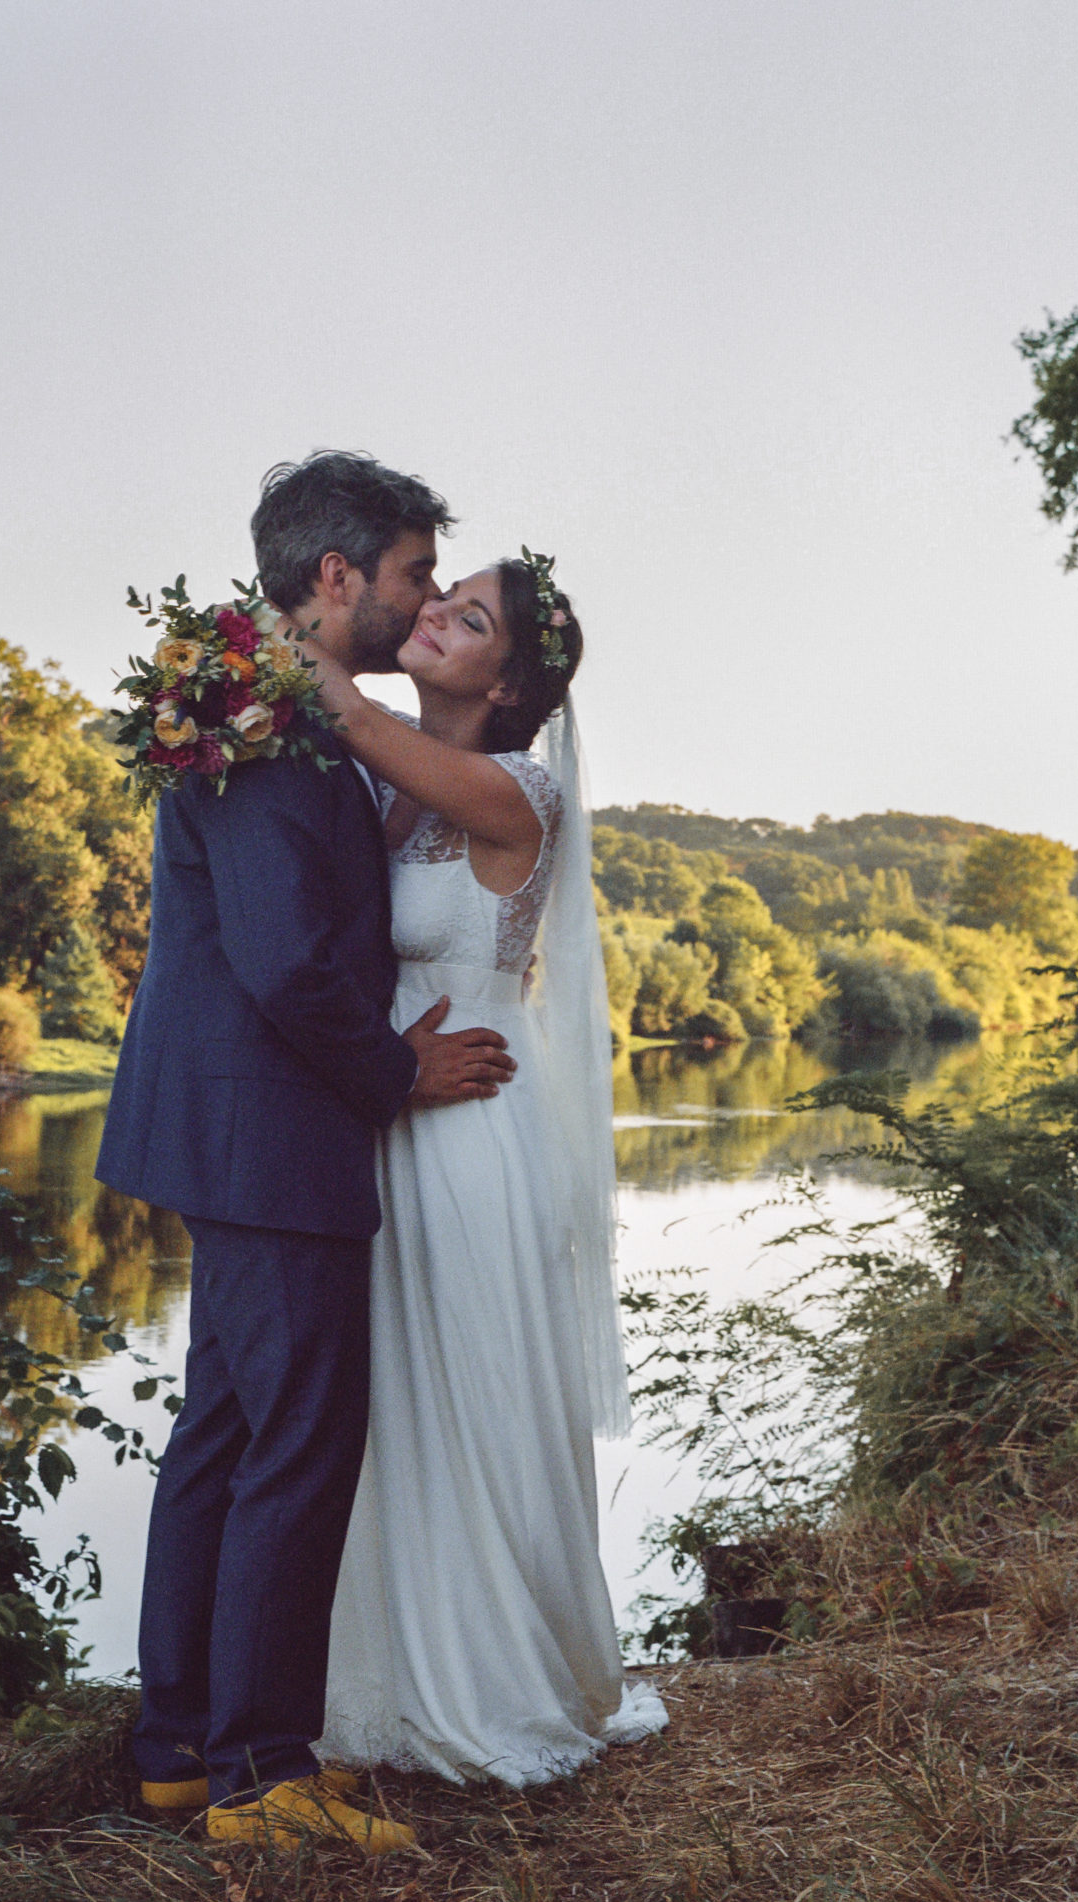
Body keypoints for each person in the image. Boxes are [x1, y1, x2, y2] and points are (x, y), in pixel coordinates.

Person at [96, 451, 516, 1856]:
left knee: (222, 1436)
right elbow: (285, 963)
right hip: (275, 1128)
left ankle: (177, 1745)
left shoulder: (256, 706)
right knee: (298, 1444)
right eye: (407, 575)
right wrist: (398, 1071)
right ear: (335, 578)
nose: (417, 602)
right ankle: (261, 1777)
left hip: (226, 1125)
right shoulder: (264, 727)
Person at [303, 553, 669, 1784]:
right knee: (390, 1399)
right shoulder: (394, 777)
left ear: (510, 682)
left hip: (467, 1117)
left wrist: (255, 641)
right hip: (387, 1106)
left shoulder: (514, 789)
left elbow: (341, 707)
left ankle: (494, 1677)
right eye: (439, 597)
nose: (435, 618)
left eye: (468, 619)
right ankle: (390, 1676)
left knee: (466, 1384)